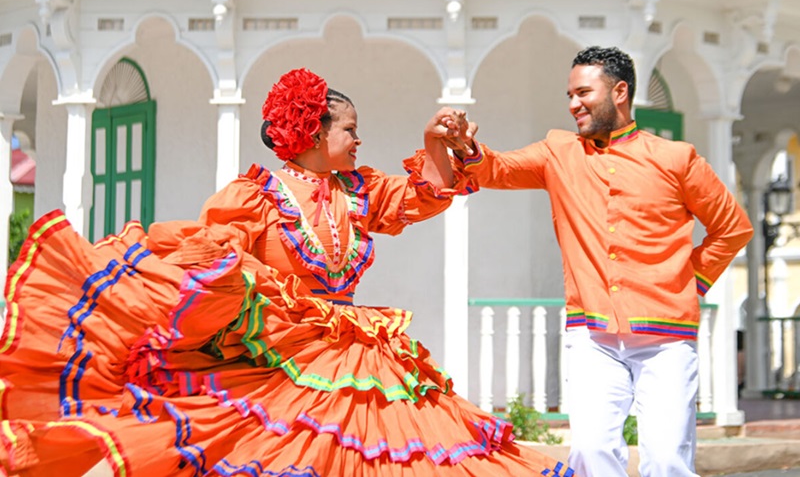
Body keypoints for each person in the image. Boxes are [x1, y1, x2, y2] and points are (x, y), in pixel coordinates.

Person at [0, 67, 576, 476]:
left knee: (387, 449)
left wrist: (433, 142)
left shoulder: (360, 190)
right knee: (296, 454)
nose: (358, 139)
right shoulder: (256, 197)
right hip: (287, 355)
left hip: (360, 347)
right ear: (313, 132)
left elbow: (425, 195)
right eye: (349, 129)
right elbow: (214, 253)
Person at [446, 46, 754, 477]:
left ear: (620, 91)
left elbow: (733, 228)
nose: (573, 104)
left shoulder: (676, 159)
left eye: (583, 93)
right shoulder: (558, 151)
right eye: (569, 95)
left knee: (666, 459)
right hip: (591, 335)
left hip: (666, 339)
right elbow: (495, 169)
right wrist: (466, 147)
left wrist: (690, 283)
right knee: (590, 453)